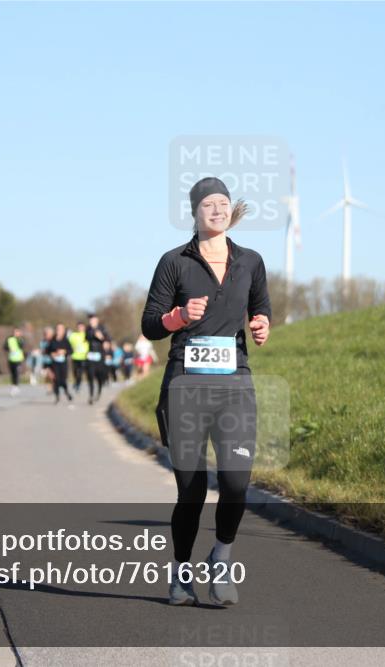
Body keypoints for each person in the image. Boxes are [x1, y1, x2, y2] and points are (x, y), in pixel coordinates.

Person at [141, 176, 271, 606]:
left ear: (231, 211)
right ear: (194, 212)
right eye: (207, 204)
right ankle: (180, 572)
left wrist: (261, 324)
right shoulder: (174, 262)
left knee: (236, 482)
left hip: (235, 386)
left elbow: (260, 307)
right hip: (185, 386)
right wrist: (178, 316)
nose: (216, 210)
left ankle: (221, 554)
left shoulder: (250, 261)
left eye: (222, 203)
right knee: (192, 490)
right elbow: (150, 324)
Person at [85, 313, 110, 405]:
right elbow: (86, 338)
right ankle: (91, 396)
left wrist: (101, 337)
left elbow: (107, 340)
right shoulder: (88, 329)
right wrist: (92, 331)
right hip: (91, 355)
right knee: (90, 375)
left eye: (92, 319)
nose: (91, 321)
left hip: (100, 355)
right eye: (90, 320)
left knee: (99, 376)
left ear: (97, 320)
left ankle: (99, 391)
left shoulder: (102, 328)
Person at [48, 323, 74, 404]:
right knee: (56, 380)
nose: (59, 331)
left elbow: (71, 351)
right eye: (58, 329)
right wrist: (52, 354)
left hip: (63, 363)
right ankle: (57, 397)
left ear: (63, 331)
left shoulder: (66, 340)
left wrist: (64, 351)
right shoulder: (52, 340)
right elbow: (48, 350)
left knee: (63, 380)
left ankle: (66, 392)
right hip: (55, 363)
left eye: (61, 329)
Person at [68, 321, 89, 394]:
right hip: (75, 356)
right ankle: (76, 382)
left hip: (84, 357)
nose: (80, 328)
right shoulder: (73, 335)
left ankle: (78, 385)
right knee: (75, 372)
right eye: (79, 327)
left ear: (84, 327)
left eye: (81, 327)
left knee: (80, 372)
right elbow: (68, 344)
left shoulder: (87, 335)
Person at [5, 327, 27, 396]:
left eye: (17, 332)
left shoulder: (21, 339)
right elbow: (5, 347)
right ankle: (13, 386)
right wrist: (9, 349)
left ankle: (16, 385)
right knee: (12, 373)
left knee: (17, 372)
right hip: (11, 358)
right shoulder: (9, 339)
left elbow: (22, 346)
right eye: (15, 332)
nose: (16, 333)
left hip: (18, 359)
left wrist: (18, 339)